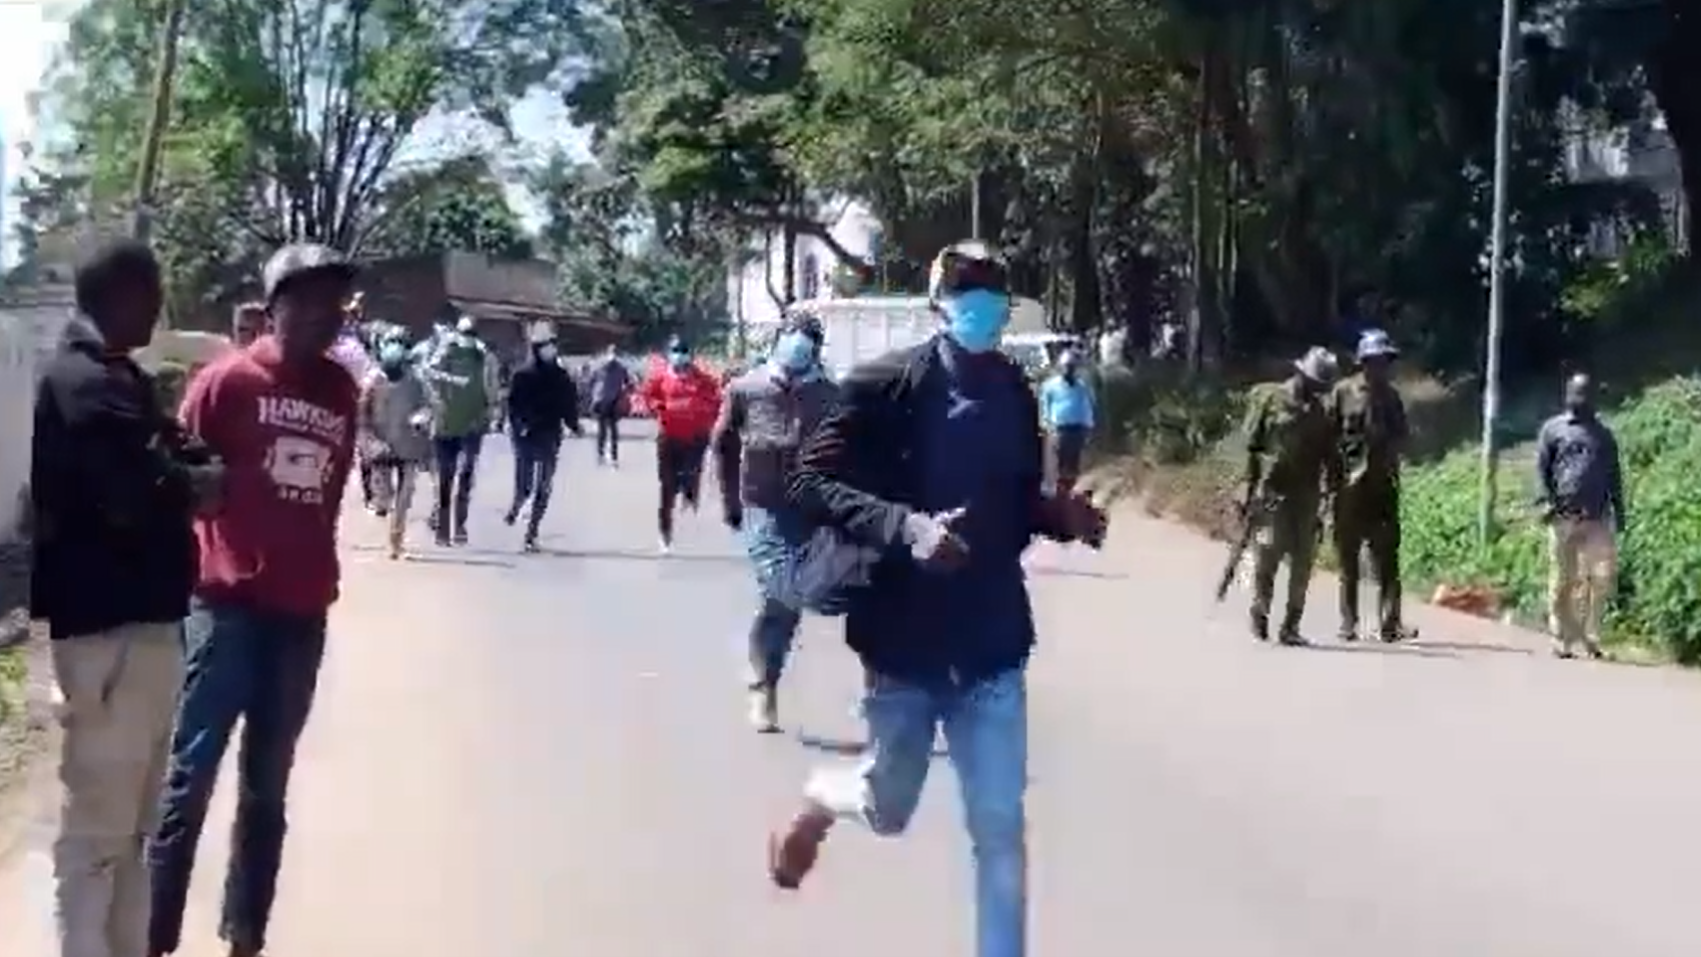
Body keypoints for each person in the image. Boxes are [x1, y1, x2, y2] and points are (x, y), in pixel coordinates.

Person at [765, 240, 1107, 957]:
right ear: (937, 301)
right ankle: (823, 798)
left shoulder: (1014, 390)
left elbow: (1014, 500)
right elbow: (807, 483)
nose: (978, 300)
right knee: (888, 807)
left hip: (991, 644)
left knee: (998, 828)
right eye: (964, 287)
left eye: (990, 289)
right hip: (904, 644)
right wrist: (907, 526)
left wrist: (1059, 517)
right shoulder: (883, 387)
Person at [147, 243, 361, 957]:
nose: (325, 317)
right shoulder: (224, 382)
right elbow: (175, 481)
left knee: (267, 789)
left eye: (336, 304)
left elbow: (326, 500)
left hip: (301, 618)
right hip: (226, 611)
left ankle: (246, 935)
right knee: (189, 780)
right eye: (309, 301)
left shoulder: (339, 391)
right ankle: (154, 937)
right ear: (274, 308)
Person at [30, 241, 222, 957]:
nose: (161, 304)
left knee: (131, 830)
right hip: (107, 637)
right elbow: (143, 489)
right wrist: (187, 481)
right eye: (154, 291)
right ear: (121, 295)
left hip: (144, 631)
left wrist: (184, 471)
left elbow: (184, 452)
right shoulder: (81, 384)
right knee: (98, 839)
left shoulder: (122, 381)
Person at [713, 315, 840, 733]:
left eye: (808, 341)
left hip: (809, 512)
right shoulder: (747, 389)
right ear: (778, 340)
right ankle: (762, 683)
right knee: (780, 590)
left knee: (789, 603)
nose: (799, 347)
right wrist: (728, 498)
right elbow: (723, 444)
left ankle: (765, 672)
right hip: (761, 508)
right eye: (793, 338)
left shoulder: (828, 395)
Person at [1240, 345, 1340, 646]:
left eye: (1323, 386)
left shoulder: (1322, 413)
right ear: (1302, 375)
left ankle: (1291, 625)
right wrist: (1246, 492)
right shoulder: (1270, 399)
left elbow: (1330, 457)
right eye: (1315, 383)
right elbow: (1252, 448)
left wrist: (1331, 496)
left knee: (1303, 562)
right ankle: (1260, 611)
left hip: (1307, 494)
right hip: (1273, 490)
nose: (1318, 390)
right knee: (1267, 555)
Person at [1329, 329, 1412, 643]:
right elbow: (1328, 435)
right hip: (1349, 489)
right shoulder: (1342, 392)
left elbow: (1402, 437)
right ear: (1363, 362)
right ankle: (1348, 622)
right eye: (1375, 361)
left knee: (1387, 560)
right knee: (1348, 559)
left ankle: (1390, 623)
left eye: (1385, 362)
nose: (1380, 368)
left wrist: (1389, 453)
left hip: (1382, 488)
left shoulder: (1391, 397)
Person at [1535, 372, 1625, 660]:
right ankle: (1561, 638)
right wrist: (1545, 502)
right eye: (1576, 393)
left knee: (1600, 578)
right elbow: (1541, 470)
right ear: (1567, 395)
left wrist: (1619, 511)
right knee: (1563, 580)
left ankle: (1591, 636)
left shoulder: (1604, 435)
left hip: (1597, 517)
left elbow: (1614, 476)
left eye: (1586, 394)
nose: (1581, 399)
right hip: (1563, 516)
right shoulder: (1553, 430)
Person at [419, 315, 498, 545]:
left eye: (471, 335)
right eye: (465, 335)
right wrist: (451, 381)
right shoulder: (446, 352)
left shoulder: (485, 357)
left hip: (472, 425)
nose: (468, 340)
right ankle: (443, 530)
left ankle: (460, 526)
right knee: (446, 479)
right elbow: (428, 373)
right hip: (445, 425)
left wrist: (491, 412)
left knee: (464, 476)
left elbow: (492, 389)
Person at [638, 336, 721, 553]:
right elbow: (646, 397)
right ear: (669, 354)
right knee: (667, 489)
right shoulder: (660, 378)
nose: (680, 355)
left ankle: (689, 491)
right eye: (675, 350)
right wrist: (658, 407)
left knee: (691, 474)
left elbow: (716, 399)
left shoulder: (703, 380)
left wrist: (704, 412)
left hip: (695, 438)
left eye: (684, 351)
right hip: (669, 438)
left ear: (690, 355)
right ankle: (664, 534)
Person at [504, 331, 583, 551]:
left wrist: (574, 425)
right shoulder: (522, 375)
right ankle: (517, 505)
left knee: (544, 485)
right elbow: (512, 405)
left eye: (552, 346)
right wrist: (518, 426)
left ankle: (532, 531)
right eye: (545, 346)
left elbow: (569, 404)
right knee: (525, 485)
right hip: (525, 435)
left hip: (550, 434)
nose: (551, 350)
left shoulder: (560, 376)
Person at [359, 341, 434, 558]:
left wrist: (422, 418)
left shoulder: (416, 382)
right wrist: (369, 443)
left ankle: (396, 539)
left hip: (409, 445)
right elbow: (362, 416)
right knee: (384, 496)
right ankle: (385, 515)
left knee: (405, 495)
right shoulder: (372, 382)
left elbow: (428, 406)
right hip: (381, 446)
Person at [1037, 349, 1095, 497]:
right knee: (1059, 463)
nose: (1068, 369)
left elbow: (1087, 407)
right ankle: (1059, 493)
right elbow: (1045, 407)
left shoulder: (1082, 387)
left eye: (1071, 366)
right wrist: (1046, 427)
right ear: (1060, 367)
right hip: (1059, 429)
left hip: (1077, 429)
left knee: (1073, 463)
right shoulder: (1050, 386)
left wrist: (1089, 427)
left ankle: (1068, 491)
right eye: (1066, 366)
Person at [586, 343, 633, 466]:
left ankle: (613, 456)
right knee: (602, 430)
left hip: (614, 401)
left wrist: (624, 395)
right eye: (611, 352)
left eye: (615, 353)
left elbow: (629, 383)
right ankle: (600, 454)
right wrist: (593, 397)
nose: (613, 356)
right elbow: (590, 382)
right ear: (607, 354)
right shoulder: (599, 367)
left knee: (613, 431)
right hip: (601, 401)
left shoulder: (621, 368)